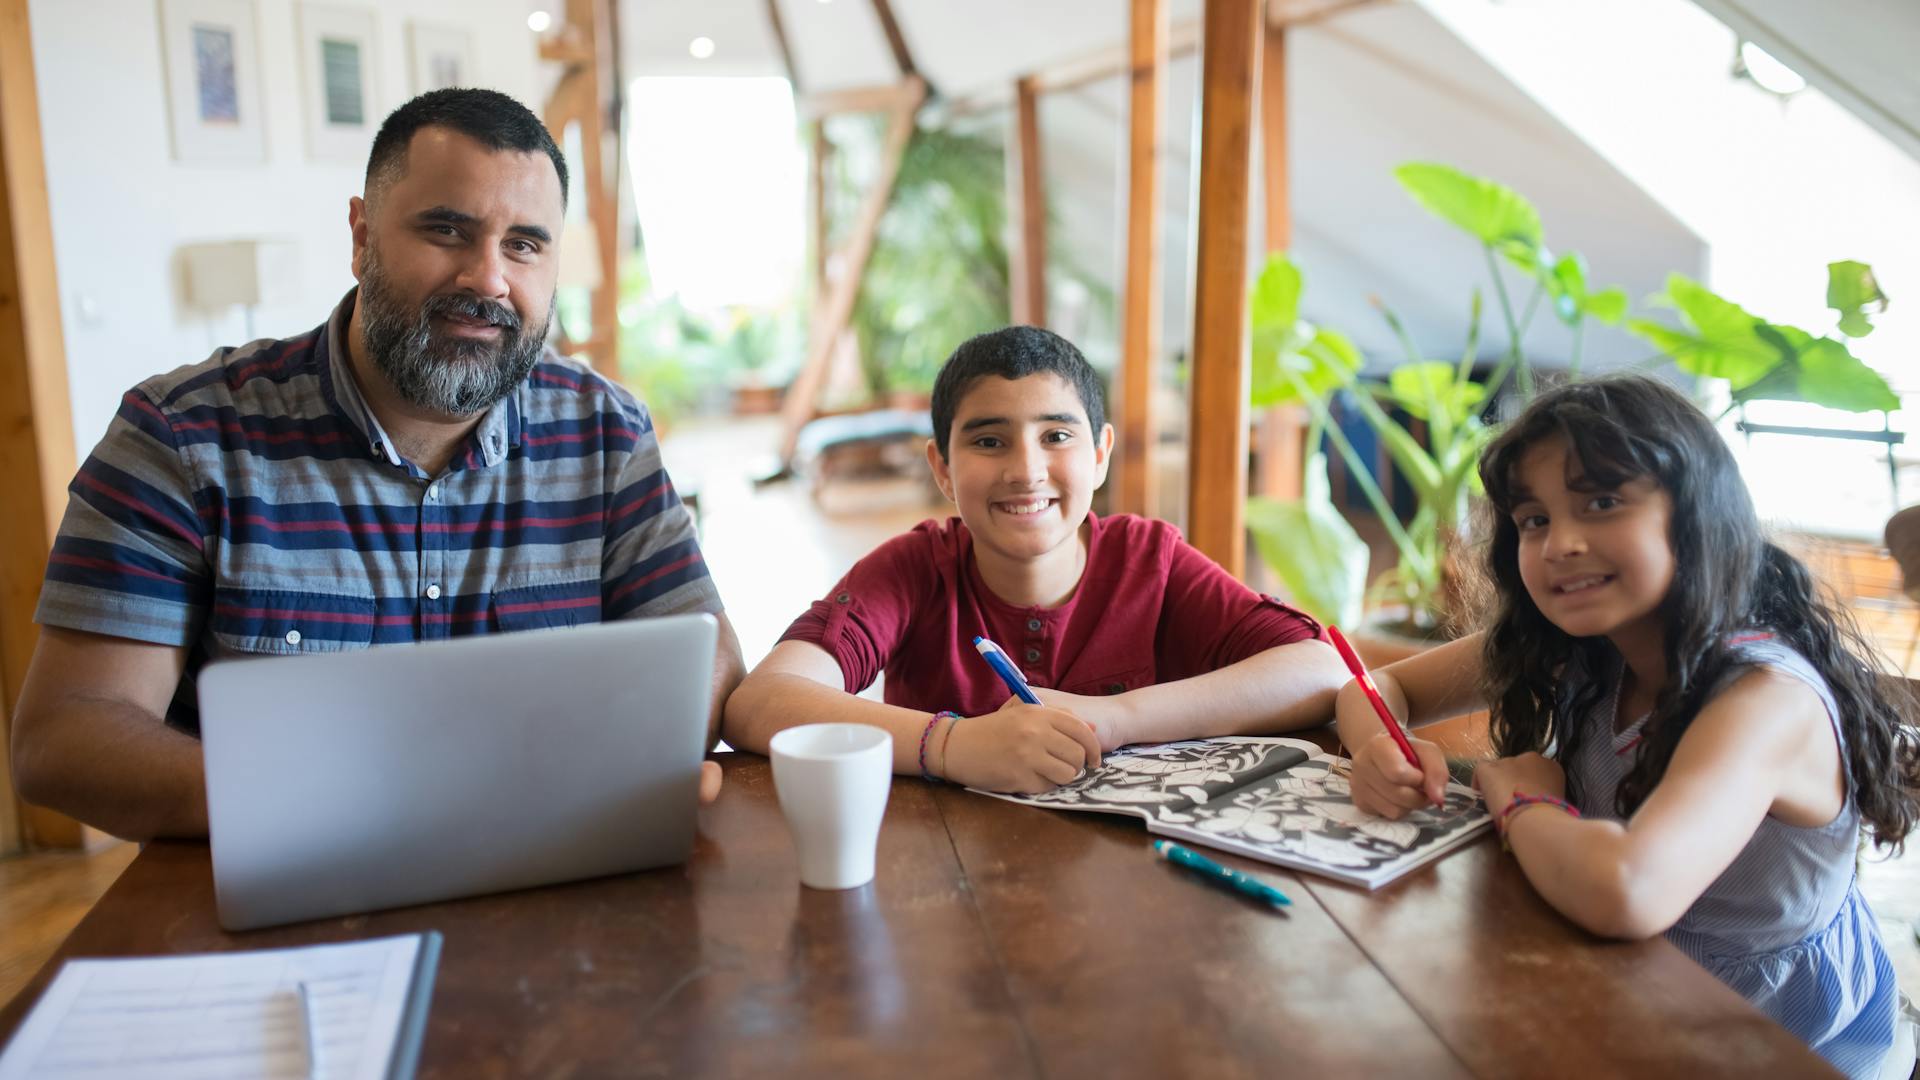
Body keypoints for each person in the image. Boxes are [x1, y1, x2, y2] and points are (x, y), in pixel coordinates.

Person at [11, 88, 742, 839]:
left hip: (552, 870)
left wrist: (619, 771)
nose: (488, 279)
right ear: (361, 236)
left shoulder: (604, 433)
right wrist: (363, 805)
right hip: (277, 894)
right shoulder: (182, 438)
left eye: (524, 244)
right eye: (447, 230)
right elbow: (63, 737)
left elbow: (705, 650)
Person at [1338, 375, 1917, 1078]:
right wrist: (1380, 747)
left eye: (1603, 503)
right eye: (1535, 519)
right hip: (1617, 986)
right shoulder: (1584, 647)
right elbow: (1377, 684)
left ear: (1698, 516)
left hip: (1773, 1043)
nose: (1560, 544)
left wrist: (1522, 796)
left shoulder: (1764, 700)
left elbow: (1629, 892)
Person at [724, 326, 1347, 793]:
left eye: (1056, 436)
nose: (1025, 471)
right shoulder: (914, 570)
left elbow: (1319, 669)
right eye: (989, 441)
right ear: (941, 467)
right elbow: (761, 702)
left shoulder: (1148, 562)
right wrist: (950, 744)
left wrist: (1114, 719)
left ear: (1100, 455)